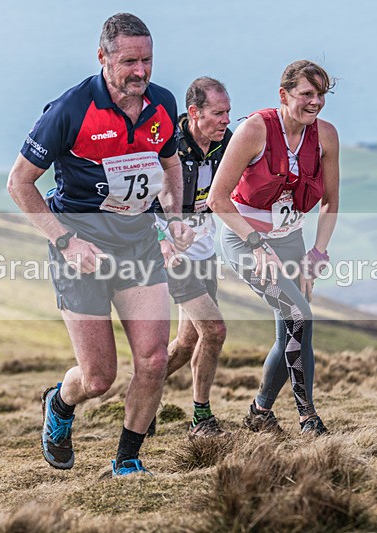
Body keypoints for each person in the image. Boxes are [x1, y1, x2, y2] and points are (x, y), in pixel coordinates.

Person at [7, 13, 193, 476]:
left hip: (138, 246)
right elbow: (19, 184)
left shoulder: (163, 104)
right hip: (83, 252)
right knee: (99, 378)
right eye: (130, 61)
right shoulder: (70, 109)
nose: (141, 72)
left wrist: (174, 218)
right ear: (103, 58)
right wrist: (66, 242)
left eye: (147, 60)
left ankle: (127, 460)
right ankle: (60, 403)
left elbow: (170, 166)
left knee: (152, 360)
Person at [207, 60, 340, 436]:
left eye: (321, 95)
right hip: (245, 240)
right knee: (300, 317)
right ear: (284, 95)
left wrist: (317, 253)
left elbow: (331, 200)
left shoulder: (326, 136)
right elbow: (218, 199)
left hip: (291, 240)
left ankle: (260, 412)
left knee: (290, 330)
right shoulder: (254, 130)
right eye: (306, 94)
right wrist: (256, 245)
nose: (315, 103)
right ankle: (308, 418)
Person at [154, 77, 231, 438]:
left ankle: (139, 397)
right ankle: (202, 419)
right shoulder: (167, 144)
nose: (226, 119)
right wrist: (162, 239)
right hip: (171, 255)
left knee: (186, 345)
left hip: (205, 252)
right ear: (194, 113)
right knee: (214, 330)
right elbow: (140, 202)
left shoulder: (226, 143)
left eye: (228, 112)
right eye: (218, 113)